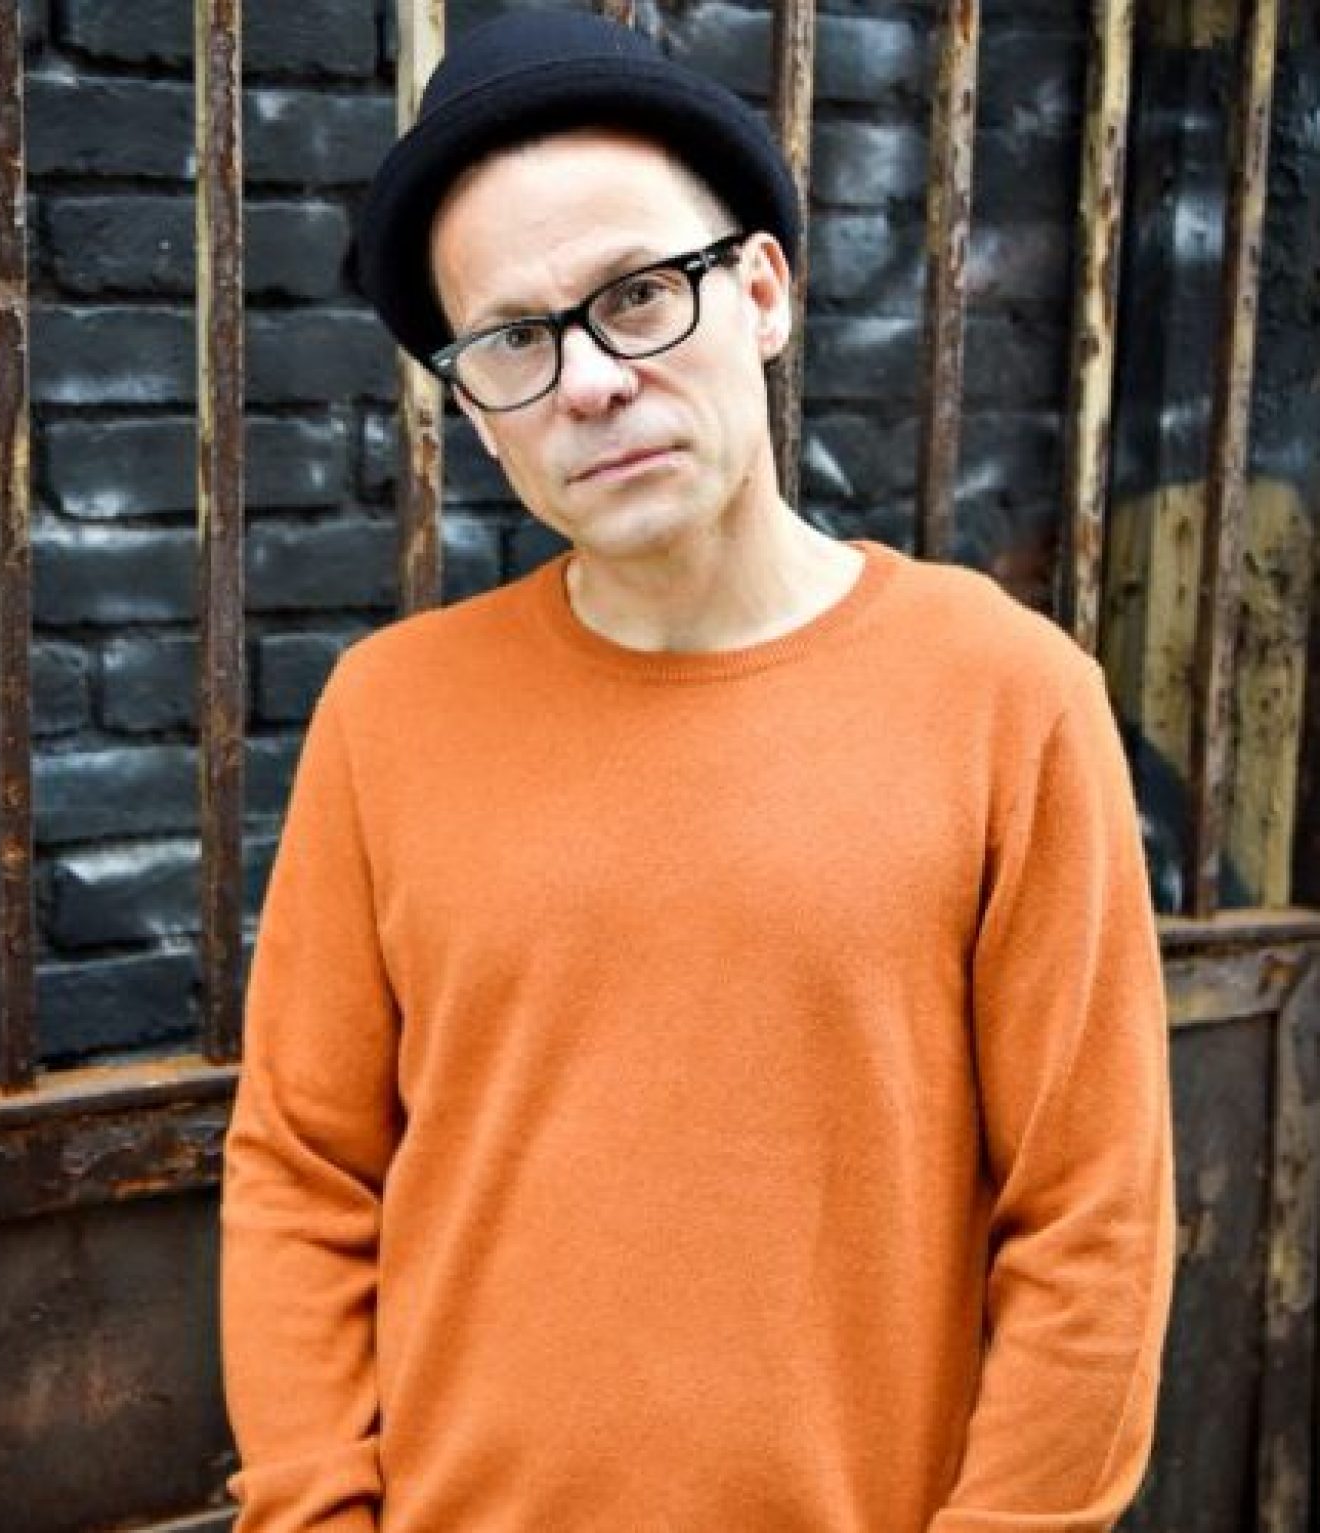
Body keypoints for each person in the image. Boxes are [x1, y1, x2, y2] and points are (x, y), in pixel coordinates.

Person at [218, 12, 1177, 1532]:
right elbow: (303, 1173)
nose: (590, 381)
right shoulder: (387, 714)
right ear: (471, 407)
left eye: (638, 295)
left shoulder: (1007, 697)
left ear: (764, 292)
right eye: (514, 339)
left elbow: (1093, 1220)